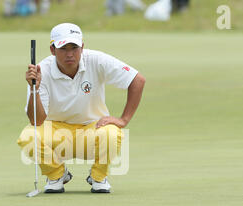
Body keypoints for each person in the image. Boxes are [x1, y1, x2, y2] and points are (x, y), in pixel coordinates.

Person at [17, 23, 146, 193]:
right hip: (57, 133)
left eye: (74, 47)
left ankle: (98, 177)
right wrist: (35, 88)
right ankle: (56, 174)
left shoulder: (97, 60)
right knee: (28, 136)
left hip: (92, 130)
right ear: (52, 50)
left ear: (82, 47)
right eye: (63, 48)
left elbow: (137, 80)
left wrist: (124, 119)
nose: (70, 54)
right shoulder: (41, 71)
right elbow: (37, 120)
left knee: (113, 133)